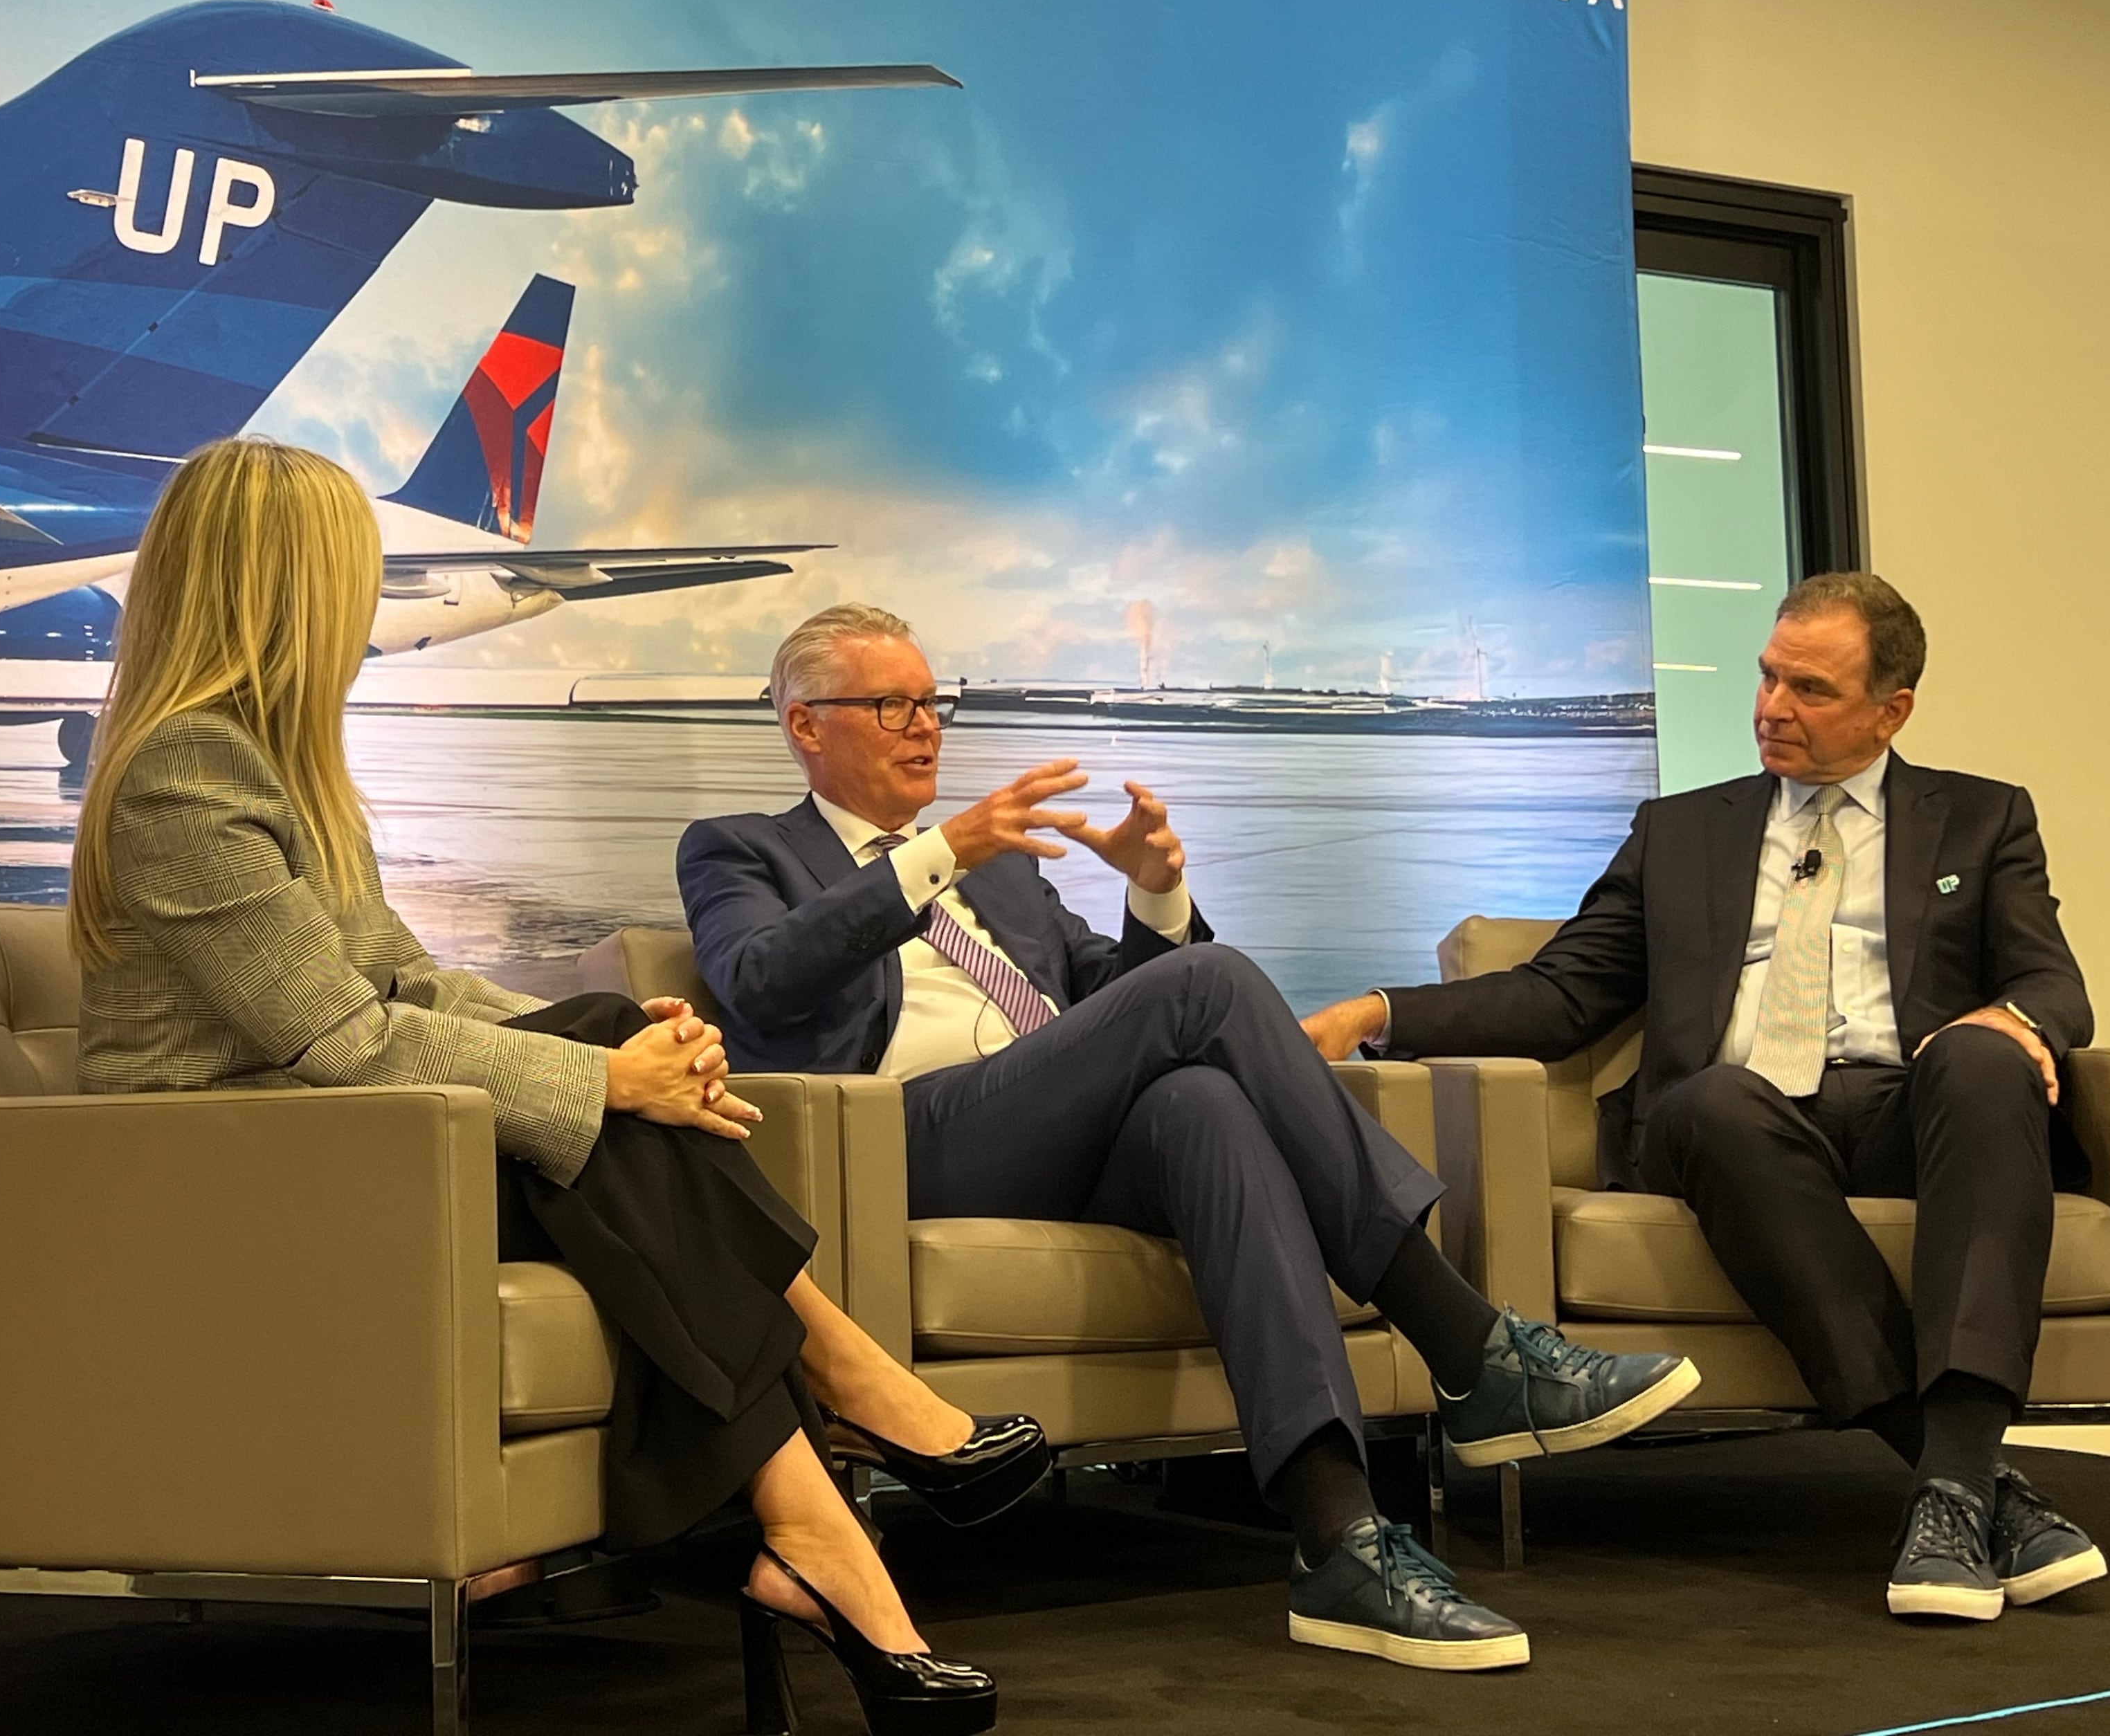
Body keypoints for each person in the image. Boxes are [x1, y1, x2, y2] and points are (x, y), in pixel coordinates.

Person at [71, 441, 1039, 1735]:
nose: (370, 608)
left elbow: (413, 986)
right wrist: (606, 1080)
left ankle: (823, 1526)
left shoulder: (283, 770)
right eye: (352, 578)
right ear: (281, 588)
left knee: (602, 1052)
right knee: (616, 1111)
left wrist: (608, 1051)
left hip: (348, 1148)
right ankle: (849, 1412)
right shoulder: (188, 775)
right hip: (239, 1177)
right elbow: (343, 1042)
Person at [680, 603, 1700, 1672]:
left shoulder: (1007, 874)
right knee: (1208, 987)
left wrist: (1155, 897)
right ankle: (1468, 1347)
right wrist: (930, 858)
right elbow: (759, 981)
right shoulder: (741, 850)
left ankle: (1339, 1536)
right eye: (892, 706)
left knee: (1201, 1106)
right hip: (901, 1140)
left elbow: (1116, 1010)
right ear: (805, 725)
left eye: (934, 702)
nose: (925, 726)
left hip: (1046, 1127)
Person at [1302, 571, 2105, 1623]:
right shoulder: (1683, 830)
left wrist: (2013, 1020)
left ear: (1891, 709)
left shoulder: (1985, 819)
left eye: (1811, 690)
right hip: (1732, 1128)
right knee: (1716, 1098)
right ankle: (1963, 1483)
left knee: (1987, 1058)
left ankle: (1952, 1487)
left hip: (1916, 1114)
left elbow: (2054, 985)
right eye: (1769, 678)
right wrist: (1374, 1013)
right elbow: (1561, 994)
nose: (1773, 708)